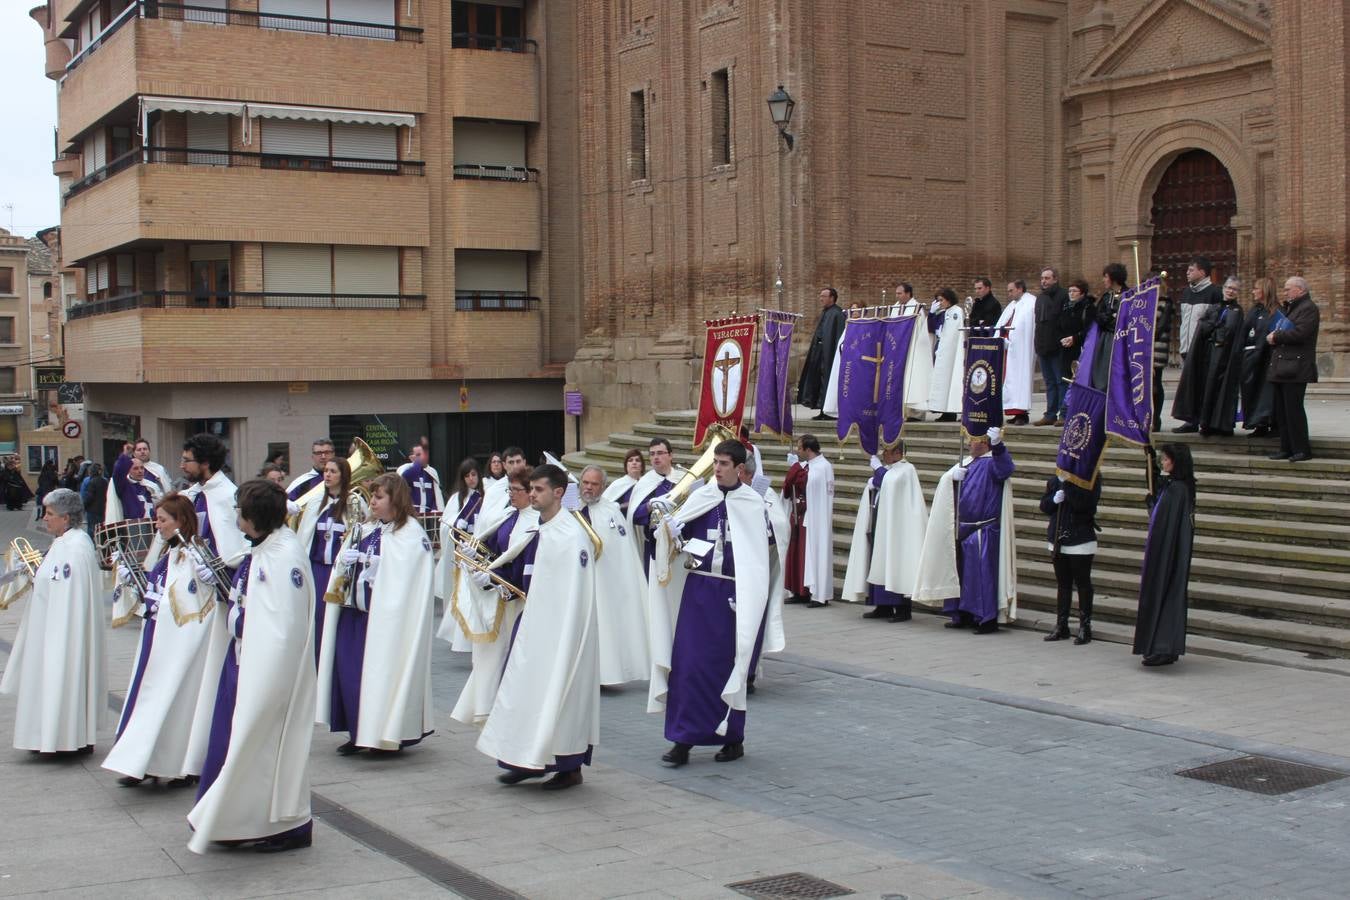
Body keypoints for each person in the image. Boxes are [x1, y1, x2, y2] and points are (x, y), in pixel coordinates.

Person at [187, 478, 316, 854]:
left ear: (255, 519)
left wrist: (241, 622)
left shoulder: (283, 557)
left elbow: (283, 628)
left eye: (241, 515)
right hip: (245, 660)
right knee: (235, 744)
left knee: (260, 748)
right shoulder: (264, 548)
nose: (236, 521)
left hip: (264, 672)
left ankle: (282, 826)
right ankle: (233, 820)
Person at [649, 439, 778, 767]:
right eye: (715, 463)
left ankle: (732, 738)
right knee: (688, 665)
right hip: (699, 591)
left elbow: (764, 552)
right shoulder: (700, 497)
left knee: (728, 666)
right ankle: (682, 739)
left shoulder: (753, 503)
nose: (717, 469)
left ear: (739, 469)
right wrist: (671, 531)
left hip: (735, 594)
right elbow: (677, 547)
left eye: (723, 464)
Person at [473, 465, 600, 790]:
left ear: (558, 493)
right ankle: (523, 759)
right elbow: (526, 575)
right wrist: (495, 579)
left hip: (560, 634)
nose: (532, 494)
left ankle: (567, 767)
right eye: (530, 489)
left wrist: (563, 638)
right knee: (521, 691)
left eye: (539, 489)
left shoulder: (572, 536)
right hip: (533, 626)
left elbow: (576, 596)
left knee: (559, 696)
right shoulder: (540, 530)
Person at [102, 493, 226, 787]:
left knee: (173, 702)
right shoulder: (170, 553)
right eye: (157, 519)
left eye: (162, 520)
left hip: (181, 645)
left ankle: (174, 764)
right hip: (159, 638)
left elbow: (201, 601)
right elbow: (158, 588)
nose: (157, 526)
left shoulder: (196, 553)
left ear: (181, 521)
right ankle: (142, 763)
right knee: (149, 701)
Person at [316, 473, 435, 755]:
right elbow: (345, 568)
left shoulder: (410, 536)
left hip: (384, 622)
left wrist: (378, 574)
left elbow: (408, 584)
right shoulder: (368, 529)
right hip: (354, 614)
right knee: (351, 675)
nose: (373, 503)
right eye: (373, 497)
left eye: (379, 497)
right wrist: (346, 563)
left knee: (380, 678)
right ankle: (359, 732)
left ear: (396, 499)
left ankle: (383, 734)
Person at [0, 488, 106, 754]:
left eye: (50, 514)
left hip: (62, 633)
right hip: (48, 628)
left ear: (66, 518)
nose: (45, 518)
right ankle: (46, 736)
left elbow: (71, 595)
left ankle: (67, 738)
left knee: (62, 678)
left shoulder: (76, 547)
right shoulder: (62, 543)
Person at [449, 467, 538, 725]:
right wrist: (475, 554)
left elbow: (520, 564)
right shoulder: (509, 516)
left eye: (516, 490)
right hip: (499, 599)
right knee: (490, 655)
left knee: (509, 656)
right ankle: (487, 705)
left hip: (516, 601)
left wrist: (496, 580)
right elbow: (496, 551)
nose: (511, 494)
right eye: (509, 489)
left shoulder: (534, 522)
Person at [914, 428, 1017, 634]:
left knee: (980, 577)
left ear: (985, 443)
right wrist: (951, 478)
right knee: (961, 575)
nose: (969, 444)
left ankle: (986, 619)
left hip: (983, 528)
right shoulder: (967, 463)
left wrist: (999, 446)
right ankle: (962, 613)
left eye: (973, 440)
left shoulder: (993, 463)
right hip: (962, 527)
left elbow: (1006, 469)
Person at [577, 464, 650, 687]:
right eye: (585, 483)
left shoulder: (611, 512)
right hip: (576, 580)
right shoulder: (568, 509)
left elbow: (620, 552)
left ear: (603, 486)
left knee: (603, 628)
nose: (588, 488)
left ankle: (603, 674)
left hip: (603, 582)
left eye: (594, 484)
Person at [842, 443, 928, 622]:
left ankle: (903, 610)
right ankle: (882, 606)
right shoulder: (890, 469)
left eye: (886, 451)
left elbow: (890, 482)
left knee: (896, 564)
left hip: (898, 528)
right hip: (881, 522)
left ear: (898, 452)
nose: (883, 454)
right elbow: (884, 482)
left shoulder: (907, 469)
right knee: (879, 560)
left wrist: (878, 471)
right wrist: (874, 482)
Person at [295, 457, 366, 665]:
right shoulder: (316, 502)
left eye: (333, 471)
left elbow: (363, 531)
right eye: (326, 471)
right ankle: (317, 663)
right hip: (318, 571)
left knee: (339, 619)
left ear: (343, 476)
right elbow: (305, 537)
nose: (327, 475)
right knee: (317, 619)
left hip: (340, 573)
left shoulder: (355, 503)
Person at [1133, 444, 1196, 667]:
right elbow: (1157, 503)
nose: (1164, 462)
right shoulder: (1174, 486)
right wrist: (1148, 462)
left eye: (1166, 459)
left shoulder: (1179, 490)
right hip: (1165, 549)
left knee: (1167, 593)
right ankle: (1160, 646)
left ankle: (1163, 647)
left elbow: (1164, 521)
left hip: (1170, 553)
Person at [1172, 276, 1244, 435]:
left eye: (1234, 289)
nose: (1230, 291)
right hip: (1207, 355)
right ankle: (1198, 421)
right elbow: (1203, 327)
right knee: (1202, 388)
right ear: (1223, 288)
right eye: (1228, 287)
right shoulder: (1214, 308)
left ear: (1238, 292)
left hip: (1224, 358)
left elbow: (1230, 332)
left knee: (1218, 391)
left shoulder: (1237, 311)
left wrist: (1214, 328)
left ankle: (1218, 424)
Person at [1039, 475, 1101, 644]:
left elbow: (1085, 506)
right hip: (1058, 538)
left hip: (1080, 538)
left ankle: (1085, 626)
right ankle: (1061, 625)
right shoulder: (1054, 480)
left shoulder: (1091, 479)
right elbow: (1044, 506)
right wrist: (1054, 499)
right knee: (1063, 583)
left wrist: (1068, 487)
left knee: (1083, 583)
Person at [1266, 276, 1321, 462]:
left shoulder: (1308, 308)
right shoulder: (1292, 308)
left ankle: (1301, 449)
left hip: (1296, 367)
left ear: (1301, 290)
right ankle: (1286, 447)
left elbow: (1301, 333)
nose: (1285, 292)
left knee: (1293, 410)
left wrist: (1277, 336)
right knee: (1282, 412)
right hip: (1284, 367)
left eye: (1288, 288)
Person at [434, 458, 486, 651]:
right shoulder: (457, 498)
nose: (471, 479)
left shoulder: (486, 495)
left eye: (474, 474)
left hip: (479, 551)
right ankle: (461, 635)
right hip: (462, 552)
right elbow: (446, 523)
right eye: (467, 475)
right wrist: (459, 522)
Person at [781, 434, 834, 608]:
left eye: (799, 447)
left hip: (815, 519)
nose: (797, 450)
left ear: (808, 449)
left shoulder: (823, 467)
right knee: (797, 554)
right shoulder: (807, 466)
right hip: (799, 516)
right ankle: (799, 590)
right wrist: (796, 468)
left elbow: (812, 488)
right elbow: (791, 487)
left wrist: (797, 467)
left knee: (812, 554)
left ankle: (817, 593)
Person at [180, 434, 247, 566]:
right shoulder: (192, 494)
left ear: (205, 463)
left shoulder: (229, 495)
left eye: (187, 461)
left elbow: (237, 547)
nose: (182, 466)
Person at [629, 438, 685, 576]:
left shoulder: (683, 477)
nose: (656, 457)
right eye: (652, 454)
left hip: (681, 539)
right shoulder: (644, 483)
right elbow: (634, 516)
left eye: (660, 453)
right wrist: (649, 505)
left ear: (670, 455)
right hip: (655, 544)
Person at [797, 287, 848, 419]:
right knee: (818, 381)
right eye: (820, 296)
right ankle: (821, 409)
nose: (821, 299)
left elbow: (837, 336)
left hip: (829, 354)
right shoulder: (825, 312)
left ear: (832, 298)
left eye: (824, 296)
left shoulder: (837, 313)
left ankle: (829, 411)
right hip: (819, 353)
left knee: (827, 381)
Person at [1240, 276, 1279, 438]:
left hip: (1268, 359)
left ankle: (1271, 423)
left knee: (1268, 394)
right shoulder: (1254, 310)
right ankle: (1258, 424)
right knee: (1252, 391)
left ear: (1264, 290)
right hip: (1252, 358)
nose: (1253, 291)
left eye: (1256, 288)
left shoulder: (1276, 311)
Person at [997, 280, 1038, 426]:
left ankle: (1023, 414)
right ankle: (1014, 412)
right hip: (1009, 350)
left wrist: (1012, 339)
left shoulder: (1030, 303)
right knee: (1010, 382)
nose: (1009, 294)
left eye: (1011, 290)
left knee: (1021, 381)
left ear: (1020, 289)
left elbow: (1024, 327)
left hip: (1022, 350)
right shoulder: (1013, 304)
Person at [1033, 267, 1070, 426]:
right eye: (1042, 278)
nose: (1044, 281)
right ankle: (1050, 413)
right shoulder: (1040, 298)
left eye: (1047, 278)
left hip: (1057, 346)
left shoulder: (1063, 296)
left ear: (1055, 279)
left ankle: (1063, 413)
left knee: (1060, 381)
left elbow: (1063, 322)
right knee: (1049, 382)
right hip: (1042, 346)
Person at [1088, 263, 1128, 391]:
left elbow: (1125, 318)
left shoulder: (1129, 295)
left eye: (1105, 276)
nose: (1103, 280)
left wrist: (1111, 318)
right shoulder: (1107, 297)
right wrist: (1108, 317)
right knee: (1103, 373)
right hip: (1106, 339)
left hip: (1121, 339)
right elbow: (1098, 316)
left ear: (1113, 277)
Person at [1057, 280, 1095, 415]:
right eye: (1069, 291)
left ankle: (1075, 410)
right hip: (1066, 347)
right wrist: (1063, 338)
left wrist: (1075, 338)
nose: (1071, 294)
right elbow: (1060, 324)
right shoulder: (1066, 306)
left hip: (1081, 348)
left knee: (1079, 379)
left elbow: (1089, 329)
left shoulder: (1088, 307)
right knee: (1065, 379)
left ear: (1082, 293)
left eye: (1074, 291)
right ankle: (1063, 411)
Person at [927, 288, 964, 422]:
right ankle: (943, 409)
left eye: (941, 300)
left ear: (949, 299)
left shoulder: (957, 312)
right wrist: (931, 313)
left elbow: (954, 334)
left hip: (950, 353)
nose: (940, 303)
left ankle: (951, 411)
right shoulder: (942, 313)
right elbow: (931, 328)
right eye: (937, 300)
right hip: (941, 351)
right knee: (941, 382)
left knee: (950, 380)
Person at [1178, 256, 1223, 361]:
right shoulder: (1186, 292)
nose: (1187, 273)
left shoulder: (1215, 292)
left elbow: (1216, 323)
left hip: (1203, 351)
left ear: (1202, 272)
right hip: (1185, 350)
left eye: (1191, 270)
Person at [480, 446, 526, 522]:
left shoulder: (533, 486)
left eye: (518, 461)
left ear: (524, 462)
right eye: (511, 462)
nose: (515, 466)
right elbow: (486, 521)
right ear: (504, 465)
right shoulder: (493, 490)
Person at [397, 442, 443, 514]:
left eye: (424, 454)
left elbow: (436, 496)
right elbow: (401, 484)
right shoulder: (405, 469)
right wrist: (417, 465)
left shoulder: (431, 472)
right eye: (418, 455)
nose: (423, 457)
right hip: (411, 515)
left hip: (429, 517)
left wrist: (435, 509)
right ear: (411, 457)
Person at [602, 448, 646, 518]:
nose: (634, 463)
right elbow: (604, 506)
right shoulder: (618, 484)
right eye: (630, 460)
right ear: (626, 465)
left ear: (642, 466)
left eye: (637, 460)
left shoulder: (647, 483)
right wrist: (622, 505)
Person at [81, 464, 108, 538]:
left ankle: (93, 545)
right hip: (102, 509)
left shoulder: (91, 482)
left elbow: (89, 496)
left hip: (92, 510)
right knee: (101, 528)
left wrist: (84, 506)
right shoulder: (105, 481)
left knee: (92, 529)